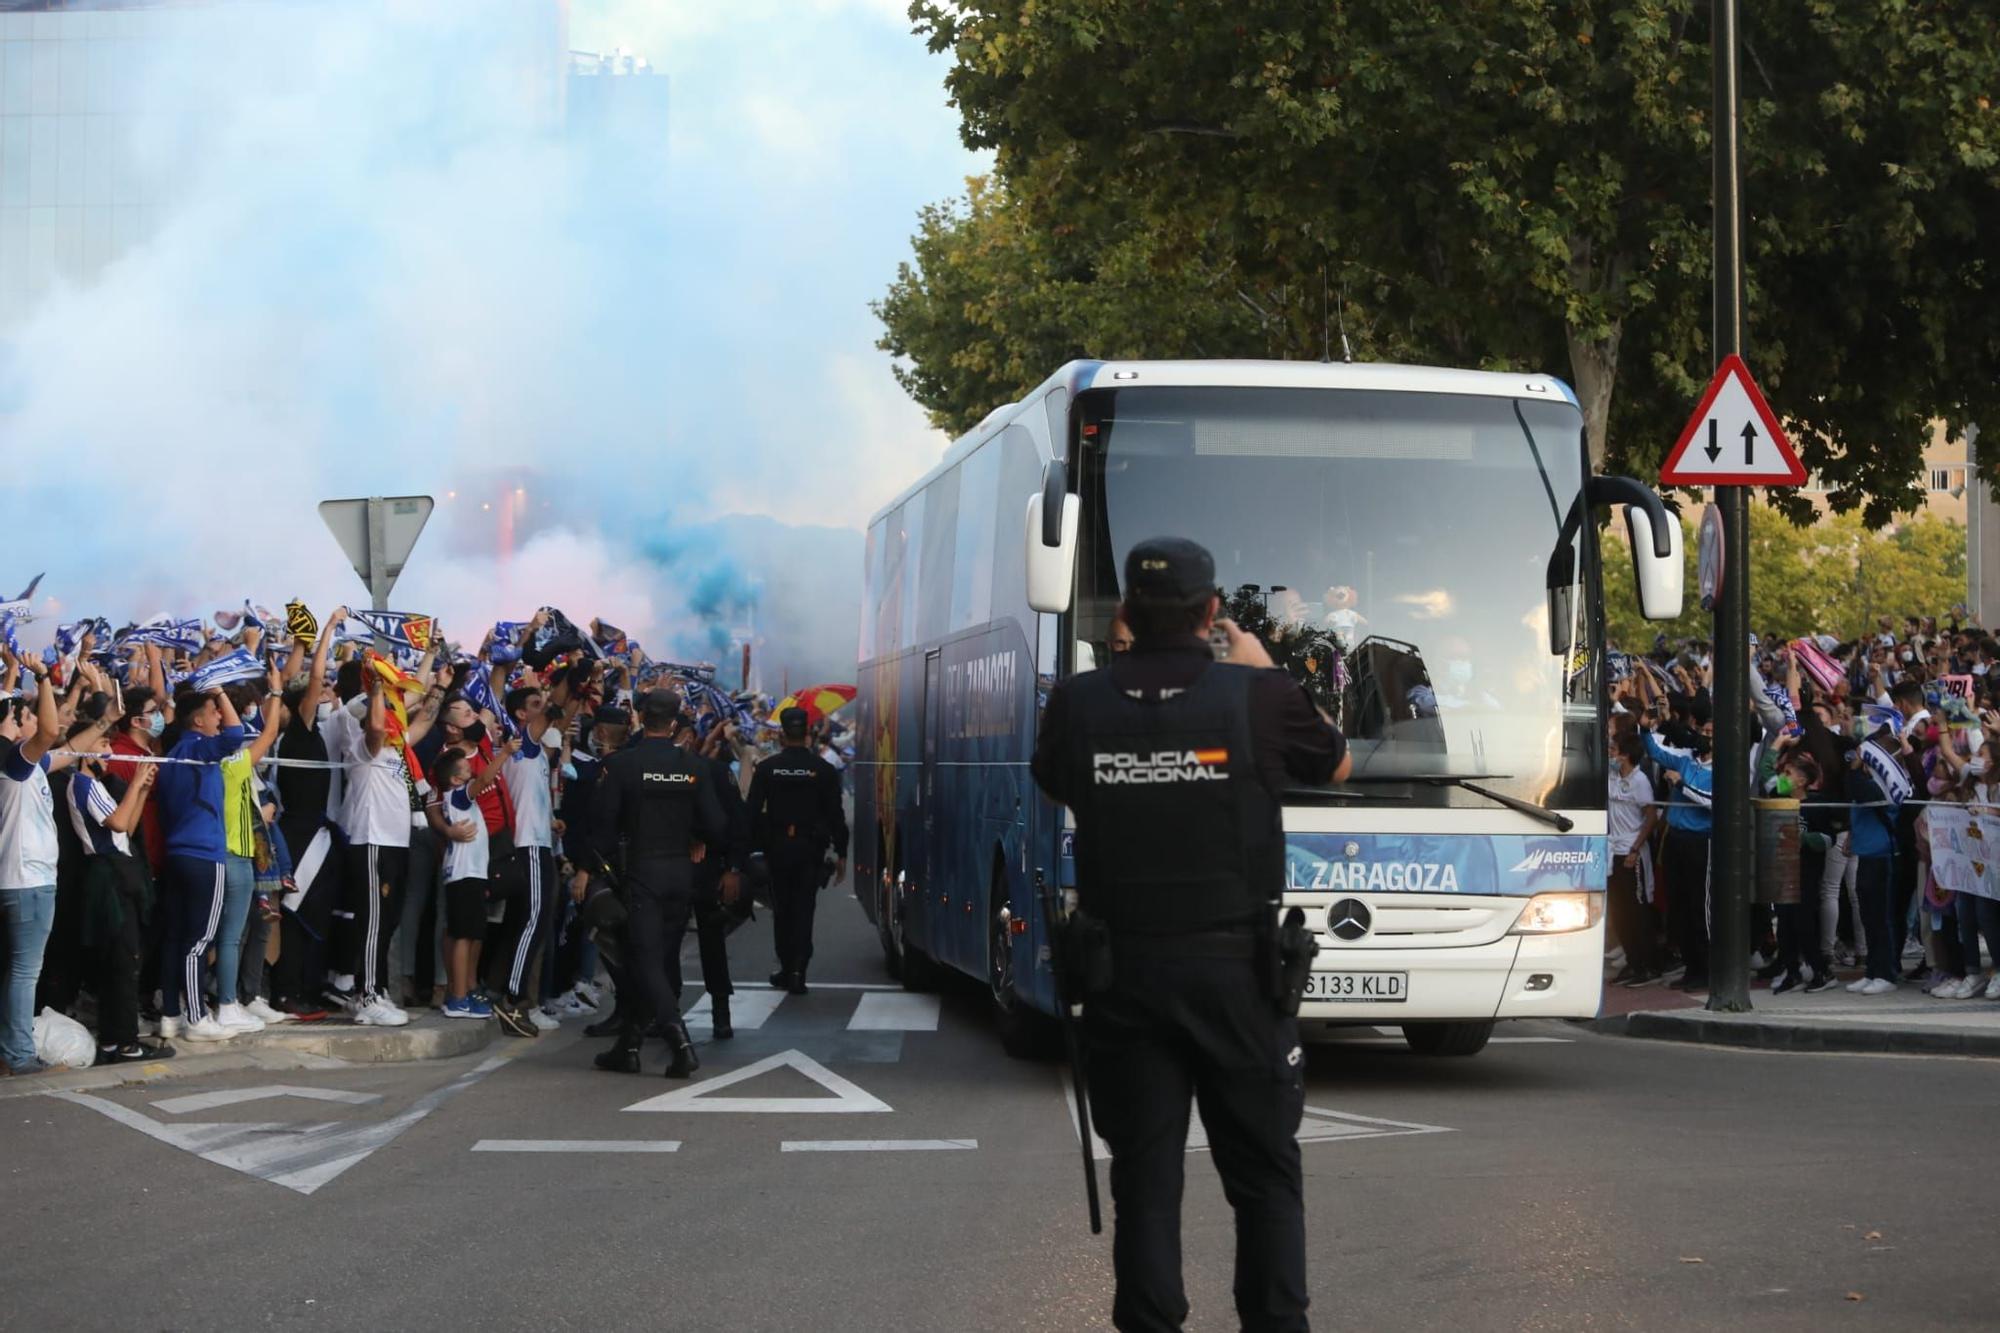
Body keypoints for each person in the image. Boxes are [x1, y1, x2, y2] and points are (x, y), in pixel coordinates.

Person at [1031, 536, 1350, 1333]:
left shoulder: (1079, 702)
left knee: (1144, 1181)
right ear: (1213, 612)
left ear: (1126, 616)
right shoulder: (1258, 696)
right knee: (1266, 1179)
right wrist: (1262, 666)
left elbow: (1055, 778)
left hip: (1125, 973)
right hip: (1238, 972)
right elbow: (1335, 764)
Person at [588, 690, 723, 1077]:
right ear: (677, 722)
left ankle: (678, 1042)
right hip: (680, 873)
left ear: (640, 718)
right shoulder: (692, 766)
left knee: (645, 960)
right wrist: (696, 837)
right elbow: (716, 824)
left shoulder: (624, 765)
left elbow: (602, 826)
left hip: (640, 872)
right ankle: (628, 1045)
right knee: (654, 960)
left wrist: (589, 869)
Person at [63, 717, 172, 1062]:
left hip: (118, 871)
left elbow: (128, 826)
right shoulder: (83, 784)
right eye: (101, 745)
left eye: (110, 745)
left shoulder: (99, 785)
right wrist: (137, 781)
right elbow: (119, 823)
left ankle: (117, 1039)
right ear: (83, 750)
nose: (108, 752)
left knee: (124, 960)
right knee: (122, 962)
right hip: (107, 877)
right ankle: (123, 1043)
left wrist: (139, 789)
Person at [153, 686, 248, 1044]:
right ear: (197, 719)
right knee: (199, 941)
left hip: (177, 854)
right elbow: (237, 735)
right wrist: (222, 690)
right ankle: (197, 1016)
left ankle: (170, 1017)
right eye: (214, 711)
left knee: (176, 938)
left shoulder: (172, 755)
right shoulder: (198, 748)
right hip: (205, 855)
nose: (220, 716)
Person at [746, 706, 848, 995]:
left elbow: (751, 812)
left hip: (777, 848)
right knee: (804, 909)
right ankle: (797, 970)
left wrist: (746, 851)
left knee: (782, 909)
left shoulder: (767, 769)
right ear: (807, 734)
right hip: (810, 850)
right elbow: (836, 815)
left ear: (780, 735)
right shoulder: (824, 770)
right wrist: (842, 853)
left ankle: (787, 963)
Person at [1, 667, 62, 1075]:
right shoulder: (12, 761)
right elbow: (51, 734)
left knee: (17, 971)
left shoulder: (24, 763)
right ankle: (18, 1055)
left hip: (23, 881)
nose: (34, 719)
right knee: (25, 973)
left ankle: (11, 1050)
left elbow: (63, 749)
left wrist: (106, 723)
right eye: (26, 715)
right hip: (28, 882)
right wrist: (43, 678)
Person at [426, 743, 506, 1020]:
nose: (472, 770)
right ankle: (458, 997)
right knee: (464, 935)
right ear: (455, 779)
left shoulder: (457, 796)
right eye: (465, 768)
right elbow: (485, 779)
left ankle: (462, 991)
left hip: (467, 873)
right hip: (465, 874)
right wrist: (505, 752)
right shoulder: (459, 795)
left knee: (467, 933)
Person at [1606, 731, 1661, 986]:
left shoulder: (1640, 781)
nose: (1611, 753)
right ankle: (1632, 960)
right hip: (1613, 852)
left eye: (1614, 749)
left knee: (1637, 911)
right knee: (1619, 912)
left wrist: (1635, 849)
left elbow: (1650, 816)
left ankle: (1646, 965)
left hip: (1632, 854)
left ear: (1626, 754)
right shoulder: (1612, 777)